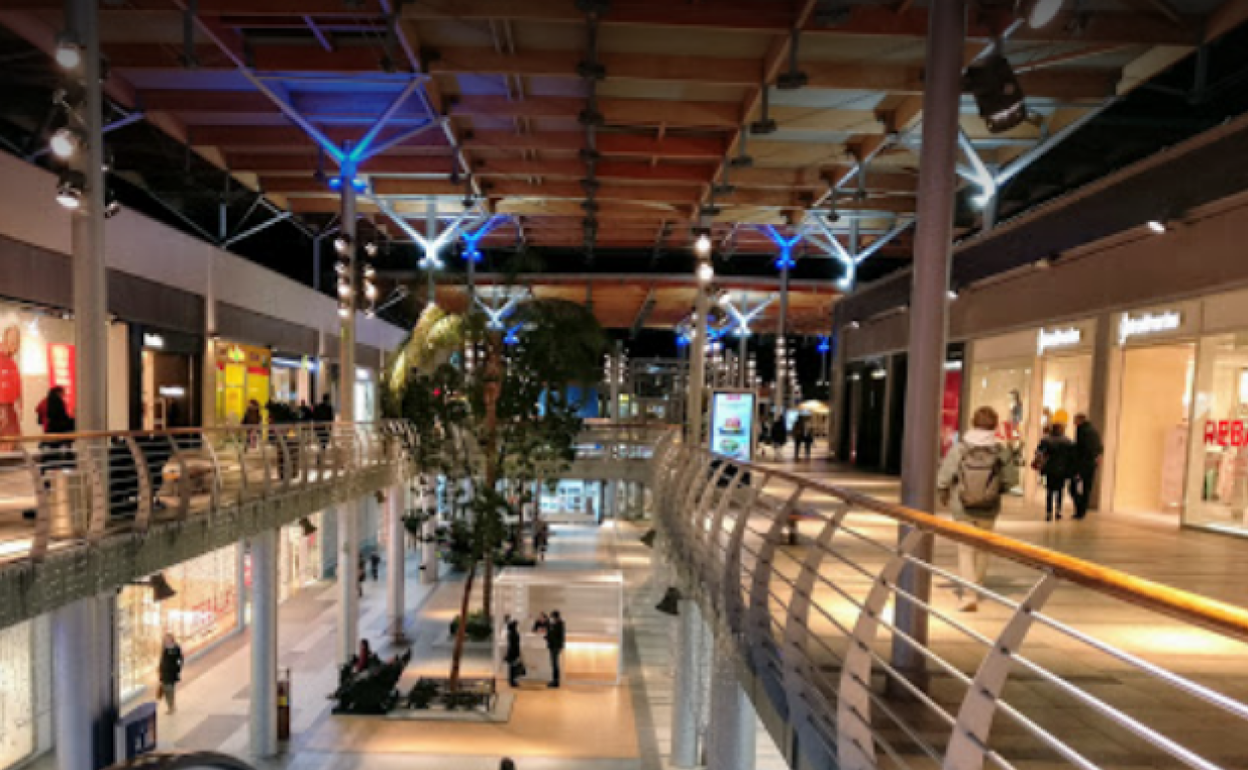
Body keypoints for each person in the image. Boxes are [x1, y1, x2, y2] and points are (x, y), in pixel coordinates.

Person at [936, 406, 1019, 612]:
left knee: (965, 550)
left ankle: (969, 595)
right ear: (994, 425)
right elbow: (1012, 479)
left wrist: (943, 492)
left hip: (962, 506)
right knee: (983, 548)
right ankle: (977, 586)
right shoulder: (1000, 450)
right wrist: (995, 490)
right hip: (989, 508)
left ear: (974, 422)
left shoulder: (961, 448)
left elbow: (945, 475)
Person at [1035, 413, 1075, 522]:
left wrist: (1039, 464)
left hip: (1050, 468)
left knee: (1049, 491)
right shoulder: (1067, 441)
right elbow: (1072, 456)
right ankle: (1058, 511)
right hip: (1062, 469)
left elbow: (1039, 453)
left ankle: (1048, 512)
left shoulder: (1046, 440)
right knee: (1060, 490)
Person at [1072, 413, 1103, 520]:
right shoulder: (1094, 431)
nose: (1074, 422)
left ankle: (1080, 510)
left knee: (1074, 487)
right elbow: (1099, 447)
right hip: (1091, 465)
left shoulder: (1082, 431)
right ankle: (1082, 510)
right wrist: (1098, 456)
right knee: (1086, 488)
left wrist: (1077, 464)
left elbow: (1081, 449)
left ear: (1080, 420)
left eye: (1075, 420)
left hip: (1082, 465)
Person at [158, 633, 184, 715]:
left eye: (168, 639)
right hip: (164, 673)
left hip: (171, 673)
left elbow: (179, 659)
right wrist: (160, 670)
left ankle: (171, 707)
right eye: (165, 640)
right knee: (167, 691)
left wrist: (178, 668)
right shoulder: (164, 648)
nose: (167, 641)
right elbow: (162, 661)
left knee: (169, 690)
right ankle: (171, 706)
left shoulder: (175, 649)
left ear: (172, 639)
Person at [546, 610, 565, 688]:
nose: (551, 618)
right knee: (553, 663)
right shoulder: (555, 624)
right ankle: (554, 680)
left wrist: (548, 635)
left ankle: (556, 681)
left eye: (552, 617)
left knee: (555, 664)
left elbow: (555, 635)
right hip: (553, 646)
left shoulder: (559, 624)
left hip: (555, 646)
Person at [504, 619, 523, 687]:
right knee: (513, 667)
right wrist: (518, 653)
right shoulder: (514, 633)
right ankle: (512, 681)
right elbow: (516, 644)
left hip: (511, 652)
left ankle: (511, 681)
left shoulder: (510, 633)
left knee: (511, 667)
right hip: (513, 652)